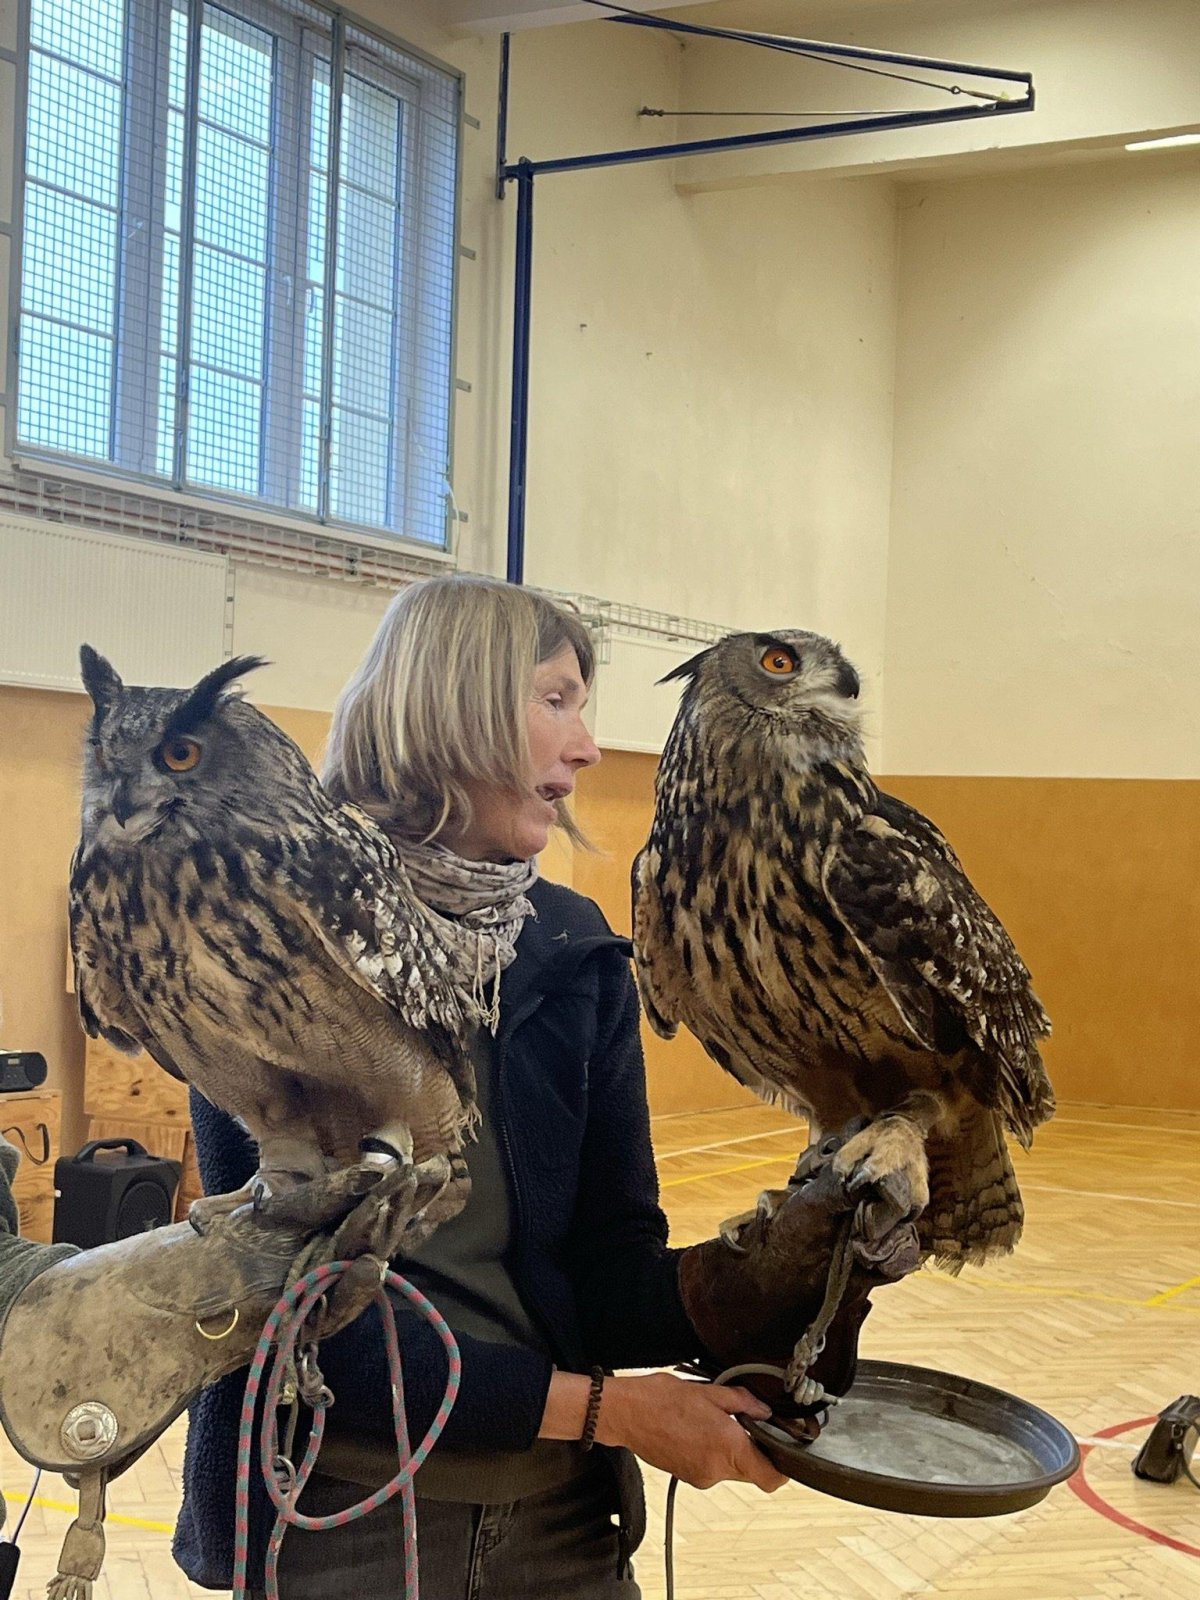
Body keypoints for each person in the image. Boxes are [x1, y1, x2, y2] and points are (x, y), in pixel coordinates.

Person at [173, 575, 791, 1599]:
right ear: (450, 705)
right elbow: (306, 1319)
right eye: (556, 699)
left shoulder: (571, 947)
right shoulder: (271, 946)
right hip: (338, 1517)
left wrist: (783, 1270)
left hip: (562, 1520)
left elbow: (609, 1270)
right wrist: (611, 1411)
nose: (588, 747)